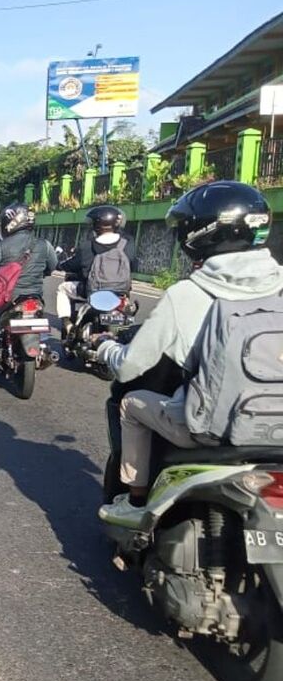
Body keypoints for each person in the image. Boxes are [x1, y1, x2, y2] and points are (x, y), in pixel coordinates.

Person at [94, 181, 283, 520]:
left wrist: (105, 348)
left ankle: (136, 501)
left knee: (130, 404)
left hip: (212, 430)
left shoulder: (186, 294)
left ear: (198, 235)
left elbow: (129, 367)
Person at [0, 202, 57, 360]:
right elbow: (53, 266)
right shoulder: (45, 244)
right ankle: (42, 343)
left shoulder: (0, 247)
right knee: (39, 312)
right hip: (34, 296)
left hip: (9, 298)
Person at [56, 204, 135, 339]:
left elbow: (73, 264)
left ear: (96, 225)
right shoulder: (127, 244)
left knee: (62, 288)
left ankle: (67, 324)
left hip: (93, 291)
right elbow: (133, 264)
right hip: (120, 293)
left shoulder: (88, 245)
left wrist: (59, 266)